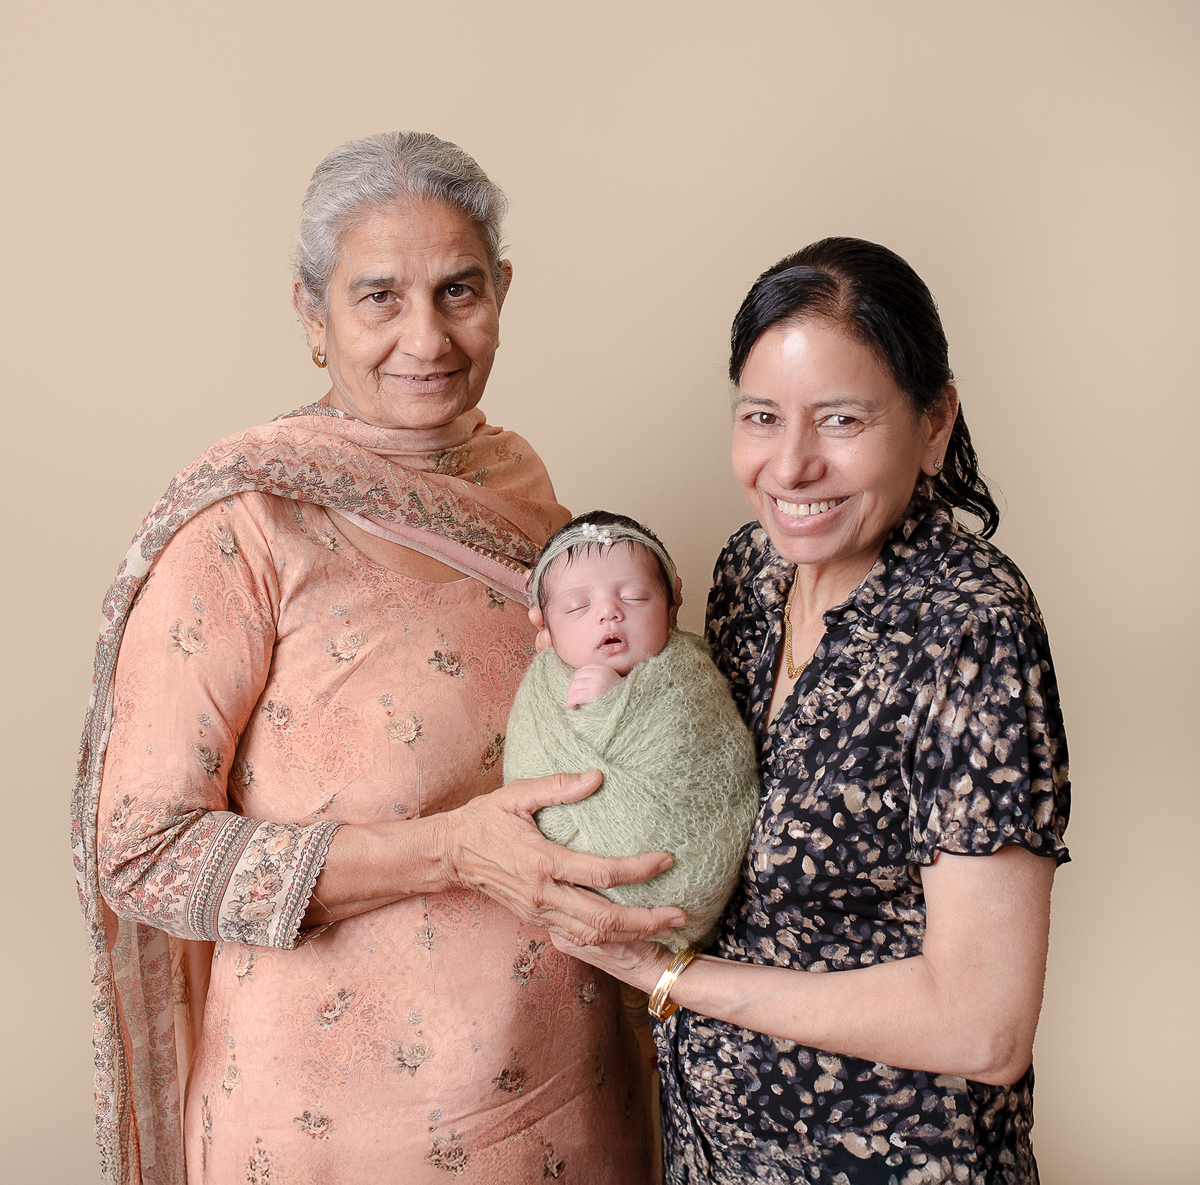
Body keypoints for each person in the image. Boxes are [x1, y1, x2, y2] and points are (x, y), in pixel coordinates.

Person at [72, 132, 686, 1185]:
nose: (427, 336)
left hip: (575, 1108)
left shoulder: (522, 495)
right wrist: (451, 851)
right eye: (378, 298)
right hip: (335, 1134)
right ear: (312, 315)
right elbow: (139, 849)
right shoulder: (248, 525)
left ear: (503, 291)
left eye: (458, 291)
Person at [552, 237, 1071, 1184]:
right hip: (714, 1154)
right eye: (761, 417)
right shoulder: (750, 573)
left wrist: (673, 982)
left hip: (894, 1159)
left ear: (934, 422)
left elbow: (982, 1023)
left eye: (840, 419)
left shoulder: (970, 628)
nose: (789, 467)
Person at [504, 511, 760, 950]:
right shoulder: (540, 689)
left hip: (686, 875)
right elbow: (524, 778)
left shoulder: (688, 676)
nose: (608, 613)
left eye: (636, 597)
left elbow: (714, 768)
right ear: (544, 626)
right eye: (577, 606)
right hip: (569, 911)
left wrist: (618, 704)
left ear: (671, 605)